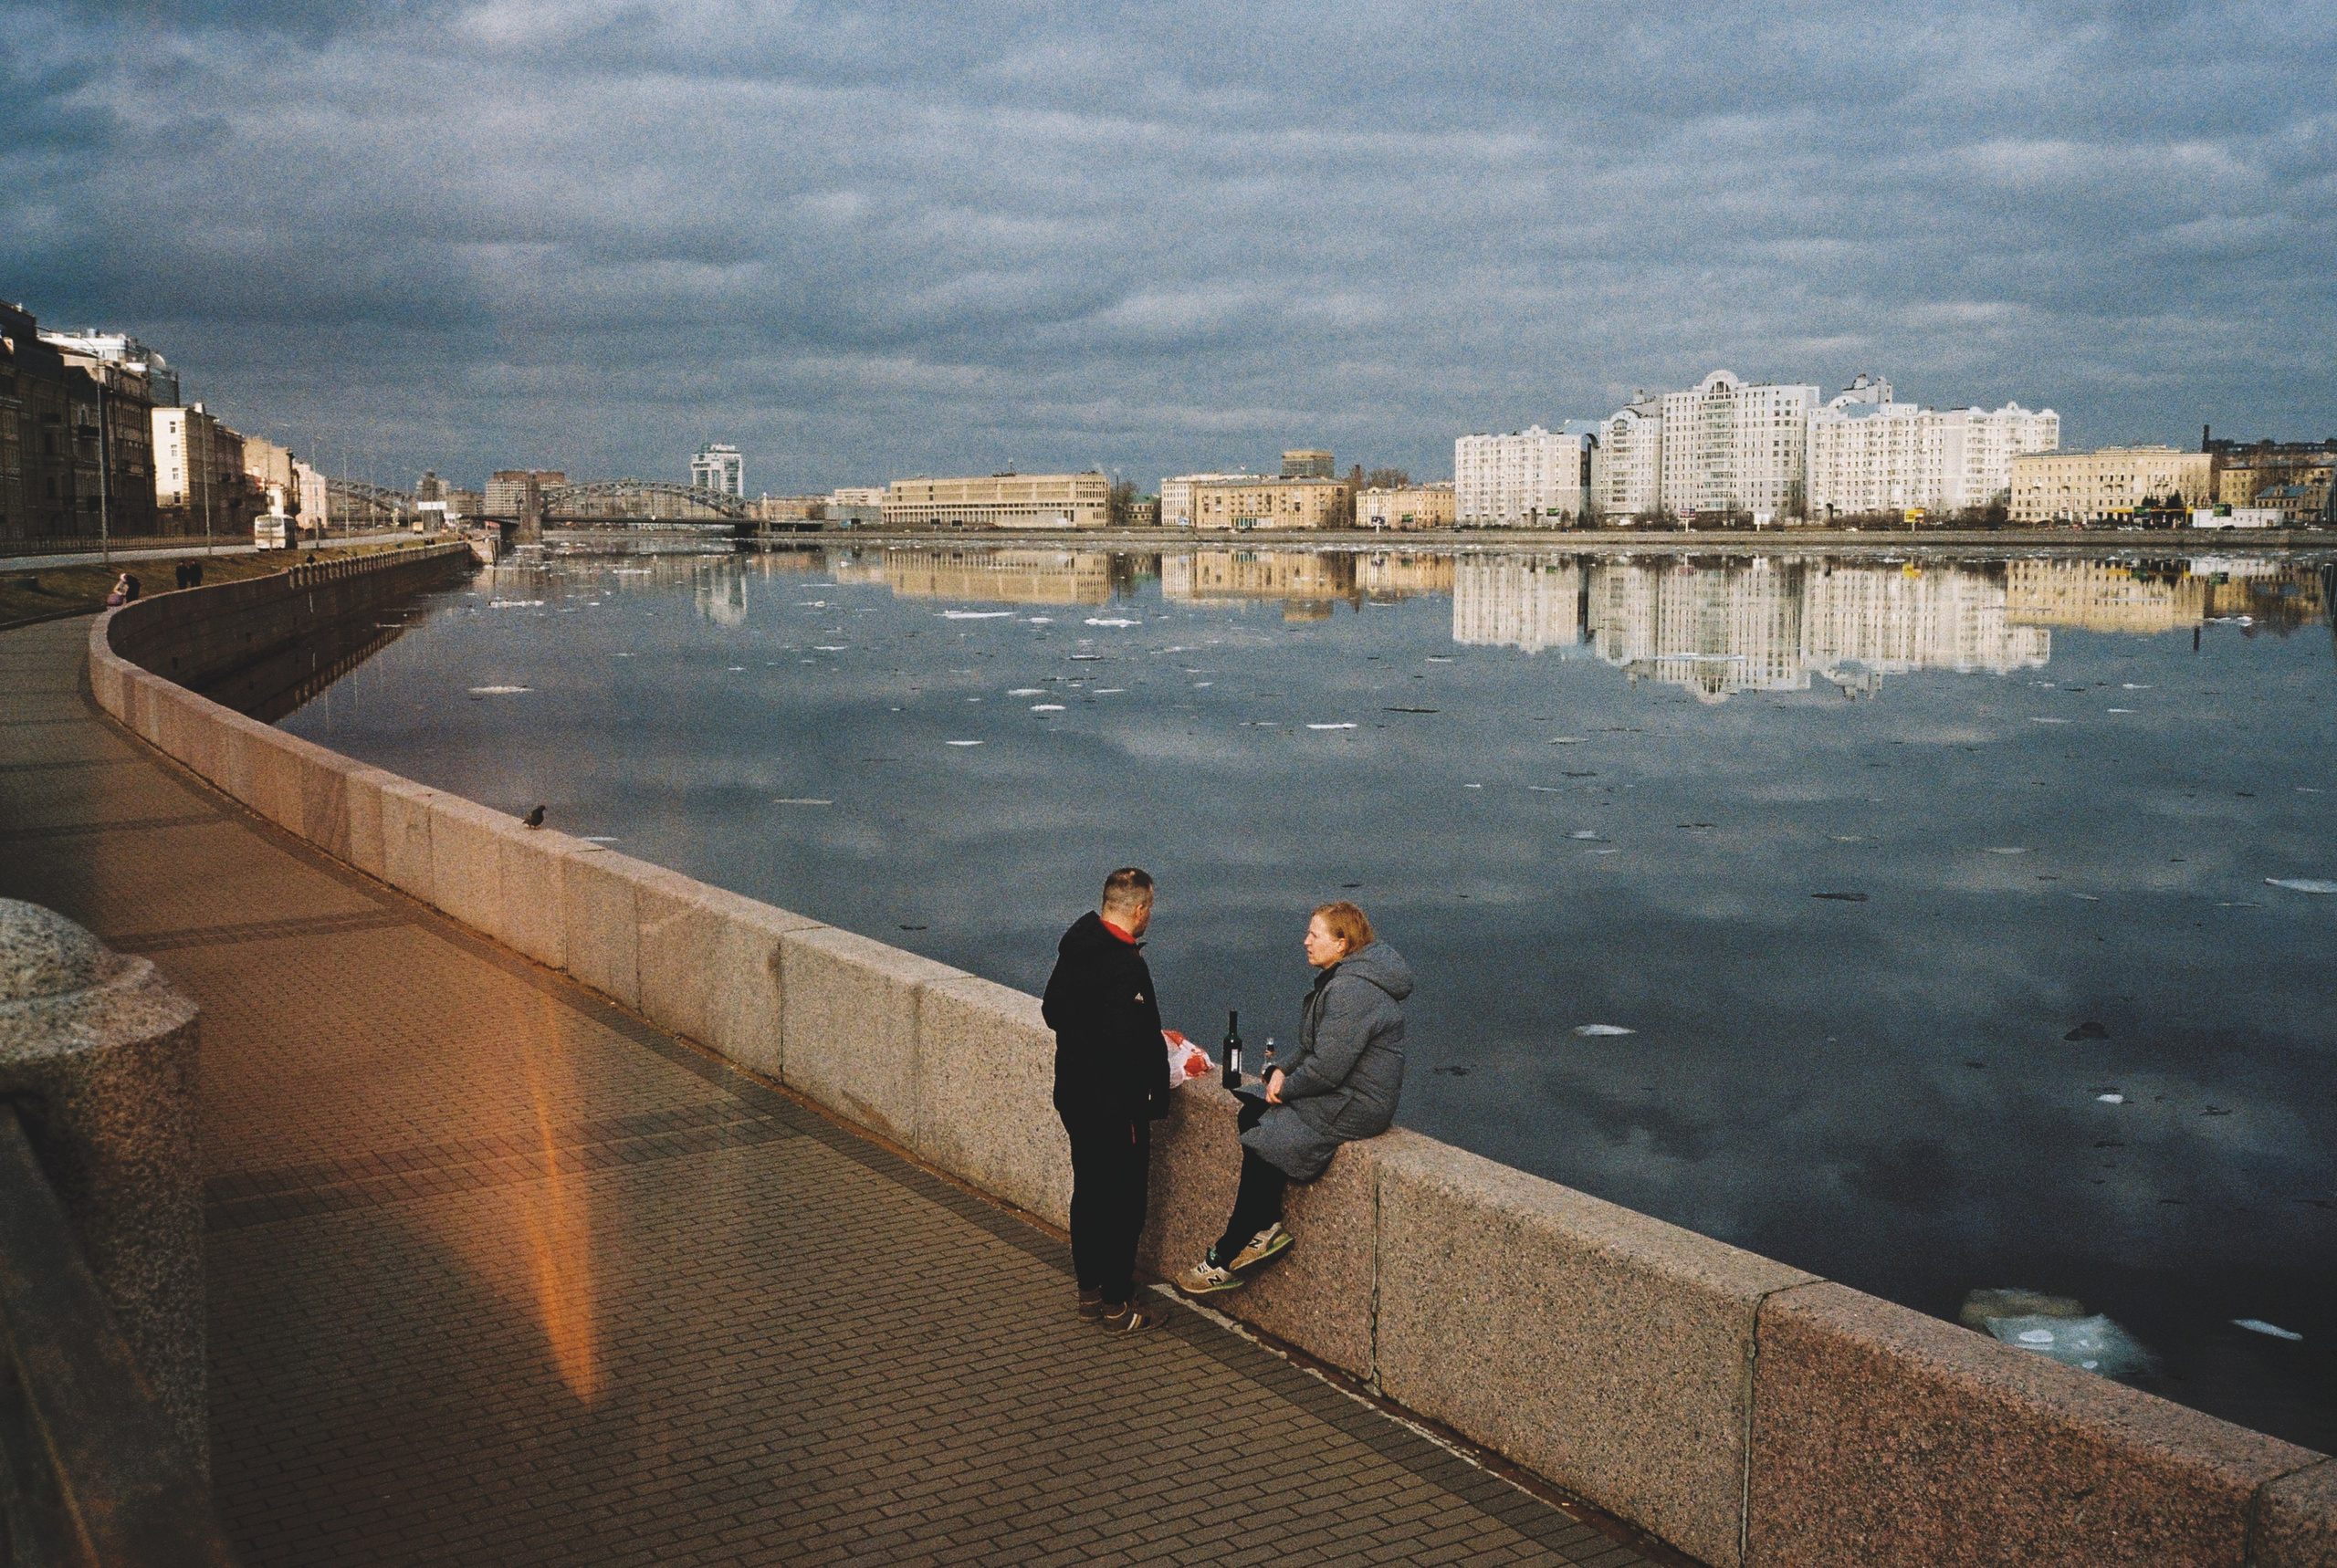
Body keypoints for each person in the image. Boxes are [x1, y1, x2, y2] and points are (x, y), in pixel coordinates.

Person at [1178, 900, 1411, 1295]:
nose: (1305, 941)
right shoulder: (1344, 979)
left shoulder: (1353, 991)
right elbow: (1312, 1046)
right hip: (1340, 1090)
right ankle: (1267, 1224)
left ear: (1341, 943)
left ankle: (1226, 1253)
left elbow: (1328, 1068)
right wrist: (1280, 1070)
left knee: (1267, 1138)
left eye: (1314, 935)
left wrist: (1286, 1090)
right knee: (1251, 1111)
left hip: (1357, 1103)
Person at [1043, 867, 1173, 1333]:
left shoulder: (1077, 945)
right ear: (1139, 909)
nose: (1149, 916)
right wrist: (1162, 1080)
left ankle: (1088, 1294)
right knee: (1123, 1204)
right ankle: (1119, 1305)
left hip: (1074, 1094)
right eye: (1150, 909)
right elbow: (1127, 1044)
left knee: (1090, 1195)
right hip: (1115, 1107)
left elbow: (1052, 1009)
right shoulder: (1125, 964)